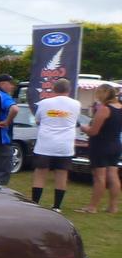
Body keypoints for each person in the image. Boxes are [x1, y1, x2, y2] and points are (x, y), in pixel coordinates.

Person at [30, 78, 81, 212]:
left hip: (45, 144)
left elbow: (37, 120)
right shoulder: (76, 104)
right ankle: (57, 206)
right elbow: (75, 120)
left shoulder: (44, 103)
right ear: (69, 90)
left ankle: (35, 203)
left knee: (40, 174)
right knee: (61, 174)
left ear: (53, 89)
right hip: (65, 145)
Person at [75, 83, 122, 214]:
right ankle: (113, 206)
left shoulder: (104, 109)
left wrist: (83, 127)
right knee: (113, 175)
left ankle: (92, 207)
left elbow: (93, 131)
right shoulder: (120, 107)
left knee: (99, 177)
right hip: (115, 144)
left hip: (101, 146)